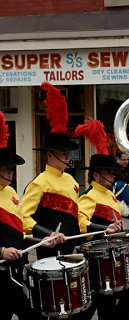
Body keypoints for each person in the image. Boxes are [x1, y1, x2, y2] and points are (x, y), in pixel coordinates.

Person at [76, 119, 129, 320]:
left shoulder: (111, 196)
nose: (112, 177)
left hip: (115, 257)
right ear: (96, 176)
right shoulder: (88, 197)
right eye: (108, 173)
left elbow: (116, 229)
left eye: (112, 173)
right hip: (98, 261)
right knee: (101, 306)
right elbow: (81, 224)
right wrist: (103, 229)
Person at [0, 112, 58, 320]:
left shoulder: (12, 193)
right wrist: (2, 251)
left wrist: (41, 240)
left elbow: (19, 232)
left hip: (15, 269)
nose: (11, 173)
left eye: (12, 169)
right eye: (6, 169)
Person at [21, 82, 80, 260]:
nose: (67, 157)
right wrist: (47, 233)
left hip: (73, 247)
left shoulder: (72, 180)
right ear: (49, 155)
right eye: (63, 153)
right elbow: (23, 217)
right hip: (49, 250)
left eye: (68, 153)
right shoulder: (39, 182)